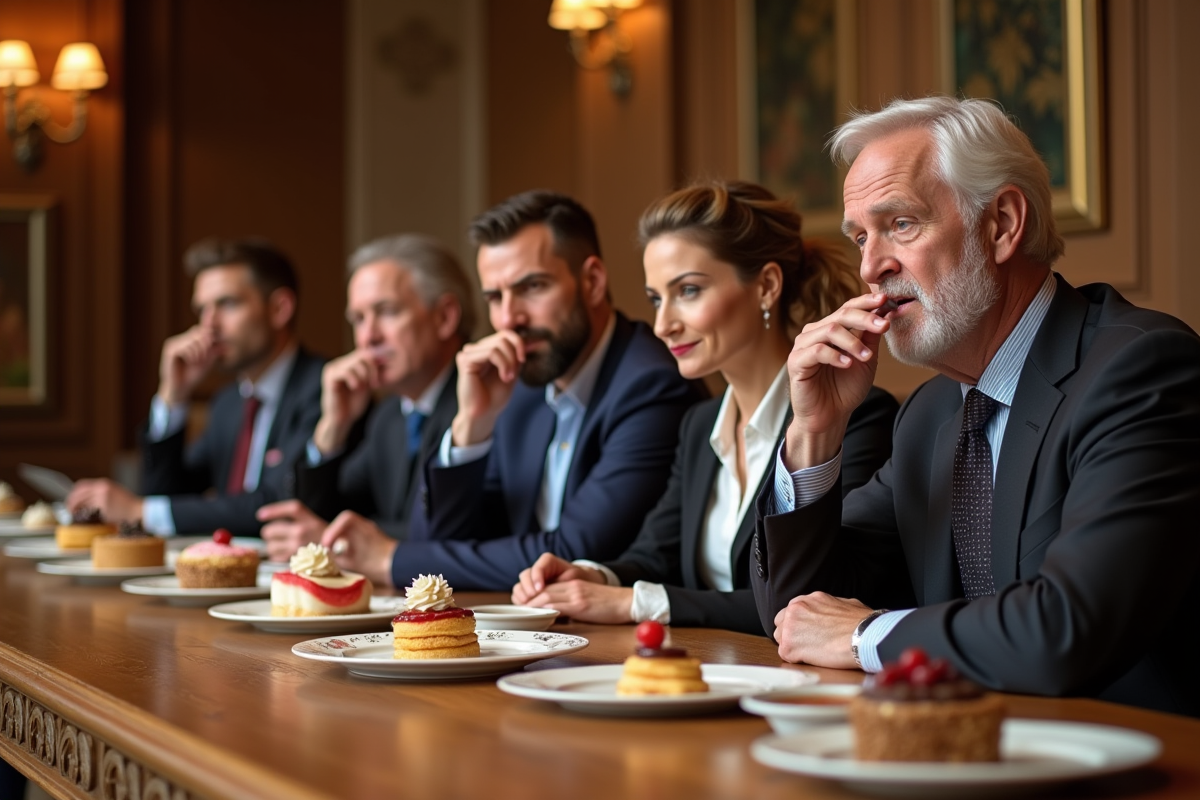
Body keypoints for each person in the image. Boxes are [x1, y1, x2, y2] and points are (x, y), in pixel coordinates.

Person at [751, 96, 1200, 717]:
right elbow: (799, 617)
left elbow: (1066, 628)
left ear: (1002, 224)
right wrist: (814, 431)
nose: (870, 267)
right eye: (860, 237)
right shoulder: (931, 415)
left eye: (901, 224)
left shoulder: (1141, 370)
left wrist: (865, 635)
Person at [511, 181, 898, 634]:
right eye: (657, 298)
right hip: (708, 672)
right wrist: (593, 575)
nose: (663, 325)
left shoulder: (857, 417)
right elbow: (657, 553)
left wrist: (638, 602)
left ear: (767, 286)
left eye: (688, 291)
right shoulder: (700, 425)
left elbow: (820, 602)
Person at [321, 190, 707, 590]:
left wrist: (393, 560)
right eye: (495, 297)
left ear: (592, 282)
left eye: (533, 287)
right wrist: (473, 424)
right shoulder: (521, 386)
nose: (508, 318)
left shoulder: (651, 384)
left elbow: (574, 551)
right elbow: (439, 542)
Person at [67, 237, 325, 536]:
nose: (209, 325)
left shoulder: (326, 390)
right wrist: (172, 397)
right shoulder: (228, 402)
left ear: (280, 309)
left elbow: (276, 503)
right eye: (202, 310)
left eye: (227, 304)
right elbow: (167, 494)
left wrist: (140, 511)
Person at [256, 235, 474, 562]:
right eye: (358, 319)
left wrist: (333, 539)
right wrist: (333, 428)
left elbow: (455, 534)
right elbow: (303, 516)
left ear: (445, 317)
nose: (368, 337)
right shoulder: (387, 416)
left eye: (386, 312)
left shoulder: (486, 406)